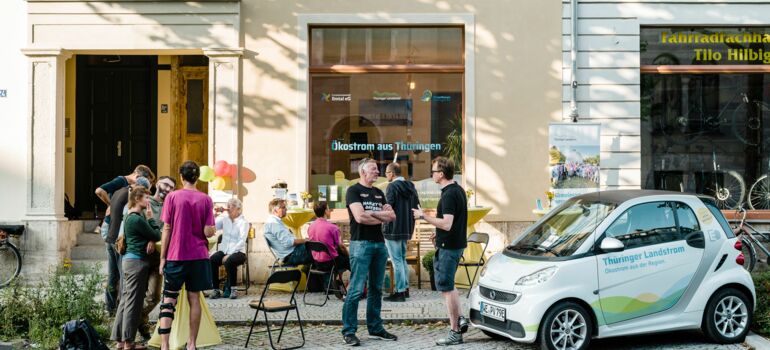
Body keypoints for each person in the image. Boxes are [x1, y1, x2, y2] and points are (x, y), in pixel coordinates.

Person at [158, 161, 216, 350]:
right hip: (199, 256)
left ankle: (165, 345)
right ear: (197, 177)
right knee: (194, 298)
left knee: (169, 299)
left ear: (181, 177)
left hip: (176, 255)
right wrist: (211, 227)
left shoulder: (172, 197)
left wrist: (162, 258)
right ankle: (192, 344)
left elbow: (166, 228)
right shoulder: (206, 199)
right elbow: (208, 232)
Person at [412, 157, 469, 346]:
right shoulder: (457, 190)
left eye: (434, 171)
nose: (432, 174)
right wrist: (439, 235)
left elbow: (447, 223)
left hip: (449, 248)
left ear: (441, 174)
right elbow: (452, 224)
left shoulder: (450, 194)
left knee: (447, 287)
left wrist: (423, 216)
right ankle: (460, 319)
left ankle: (455, 332)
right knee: (448, 287)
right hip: (450, 243)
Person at [341, 158, 398, 346]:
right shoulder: (353, 191)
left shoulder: (379, 192)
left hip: (379, 245)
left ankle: (375, 328)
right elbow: (359, 217)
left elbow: (392, 216)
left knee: (376, 288)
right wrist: (380, 216)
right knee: (356, 290)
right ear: (363, 172)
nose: (377, 172)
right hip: (361, 245)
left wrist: (373, 215)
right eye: (374, 169)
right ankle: (349, 331)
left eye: (377, 169)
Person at [111, 186, 161, 350]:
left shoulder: (129, 215)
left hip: (130, 262)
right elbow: (157, 235)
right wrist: (151, 218)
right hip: (137, 263)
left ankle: (119, 340)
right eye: (146, 197)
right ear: (137, 198)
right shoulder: (137, 219)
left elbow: (147, 236)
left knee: (126, 301)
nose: (149, 201)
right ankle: (129, 342)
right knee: (133, 303)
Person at [103, 176, 152, 314]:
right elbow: (127, 220)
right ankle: (122, 309)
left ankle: (110, 307)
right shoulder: (130, 197)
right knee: (124, 276)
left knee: (112, 276)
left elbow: (109, 215)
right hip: (120, 240)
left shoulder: (118, 192)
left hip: (110, 238)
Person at [138, 176, 176, 342]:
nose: (167, 189)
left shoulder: (171, 206)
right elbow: (139, 223)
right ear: (157, 184)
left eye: (171, 187)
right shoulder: (146, 203)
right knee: (138, 293)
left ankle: (135, 317)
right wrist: (151, 239)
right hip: (142, 255)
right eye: (165, 184)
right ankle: (142, 327)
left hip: (161, 257)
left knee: (153, 296)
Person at [382, 162, 419, 302]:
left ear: (392, 173)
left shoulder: (392, 186)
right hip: (406, 228)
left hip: (393, 228)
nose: (386, 175)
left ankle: (400, 292)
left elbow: (388, 208)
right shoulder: (411, 186)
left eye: (386, 173)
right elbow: (416, 207)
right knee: (402, 259)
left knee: (396, 260)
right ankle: (405, 288)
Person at [209, 198, 249, 300]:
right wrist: (214, 215)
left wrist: (230, 254)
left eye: (231, 205)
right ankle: (216, 289)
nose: (228, 207)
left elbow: (242, 240)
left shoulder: (243, 222)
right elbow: (212, 227)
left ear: (238, 209)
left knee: (230, 261)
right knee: (212, 259)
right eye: (228, 205)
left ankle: (233, 289)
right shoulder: (224, 219)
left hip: (239, 252)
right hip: (224, 250)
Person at [307, 201, 349, 294]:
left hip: (317, 263)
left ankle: (338, 279)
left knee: (342, 259)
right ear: (326, 211)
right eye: (328, 208)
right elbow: (340, 246)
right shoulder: (332, 227)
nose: (330, 210)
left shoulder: (310, 227)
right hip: (330, 263)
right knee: (351, 261)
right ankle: (347, 285)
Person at [264, 198, 313, 265]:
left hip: (291, 253)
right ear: (276, 210)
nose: (286, 209)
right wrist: (305, 240)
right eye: (283, 207)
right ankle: (324, 274)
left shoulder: (274, 222)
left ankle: (309, 271)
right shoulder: (274, 224)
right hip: (291, 255)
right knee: (319, 250)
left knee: (318, 250)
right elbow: (288, 243)